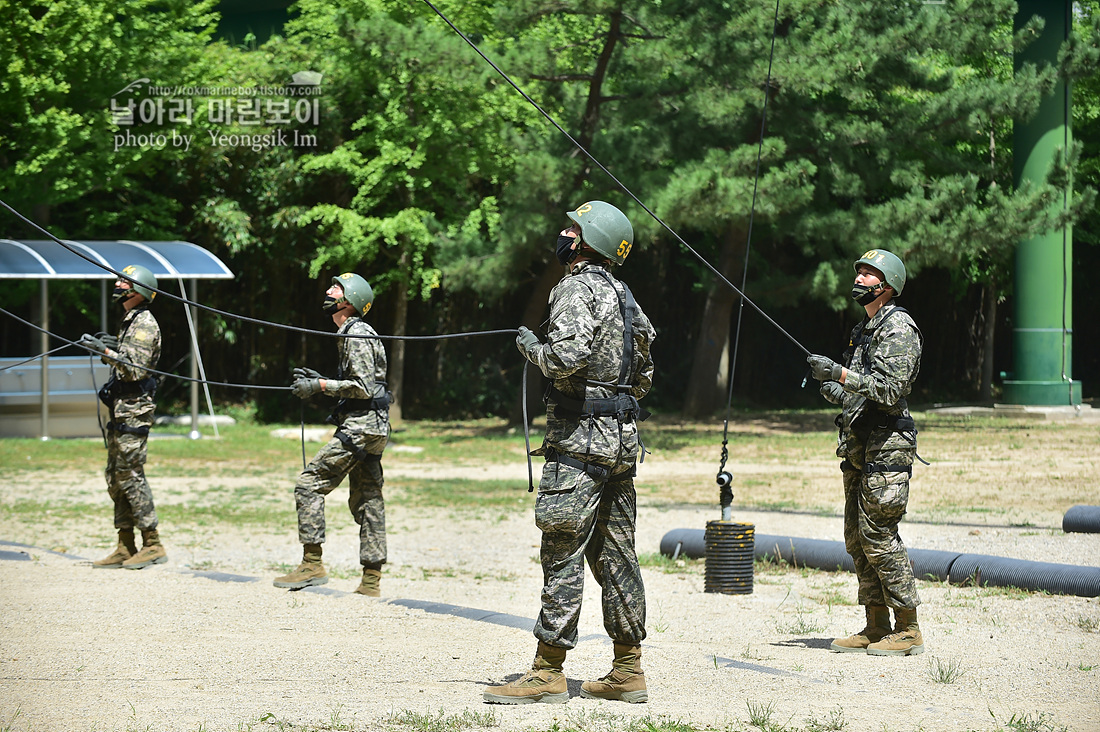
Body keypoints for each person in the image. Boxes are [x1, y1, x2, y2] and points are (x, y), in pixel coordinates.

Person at [484, 201, 656, 705]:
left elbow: (564, 359)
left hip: (579, 443)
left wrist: (531, 349)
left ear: (588, 243)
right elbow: (644, 376)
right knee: (617, 553)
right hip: (621, 444)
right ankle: (628, 669)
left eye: (572, 229)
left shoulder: (576, 288)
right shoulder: (627, 298)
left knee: (562, 550)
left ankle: (547, 671)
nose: (563, 234)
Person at [806, 248, 924, 656]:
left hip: (887, 447)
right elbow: (861, 391)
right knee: (856, 537)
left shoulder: (898, 328)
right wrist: (834, 388)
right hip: (859, 447)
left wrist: (840, 372)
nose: (859, 279)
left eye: (868, 274)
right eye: (858, 272)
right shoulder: (865, 328)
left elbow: (891, 390)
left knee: (879, 535)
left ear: (887, 286)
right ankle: (876, 624)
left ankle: (908, 628)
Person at [273, 272, 390, 596]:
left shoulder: (357, 332)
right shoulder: (352, 332)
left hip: (362, 427)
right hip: (372, 425)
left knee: (308, 485)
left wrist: (320, 386)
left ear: (349, 299)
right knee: (368, 499)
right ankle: (371, 580)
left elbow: (364, 386)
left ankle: (312, 564)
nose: (328, 290)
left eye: (335, 287)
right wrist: (323, 381)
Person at [78, 264, 167, 570]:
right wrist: (112, 347)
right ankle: (125, 544)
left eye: (123, 282)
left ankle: (152, 543)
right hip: (121, 408)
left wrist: (105, 352)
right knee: (115, 476)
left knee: (130, 475)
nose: (117, 285)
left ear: (136, 290)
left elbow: (136, 369)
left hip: (134, 411)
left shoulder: (143, 324)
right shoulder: (131, 321)